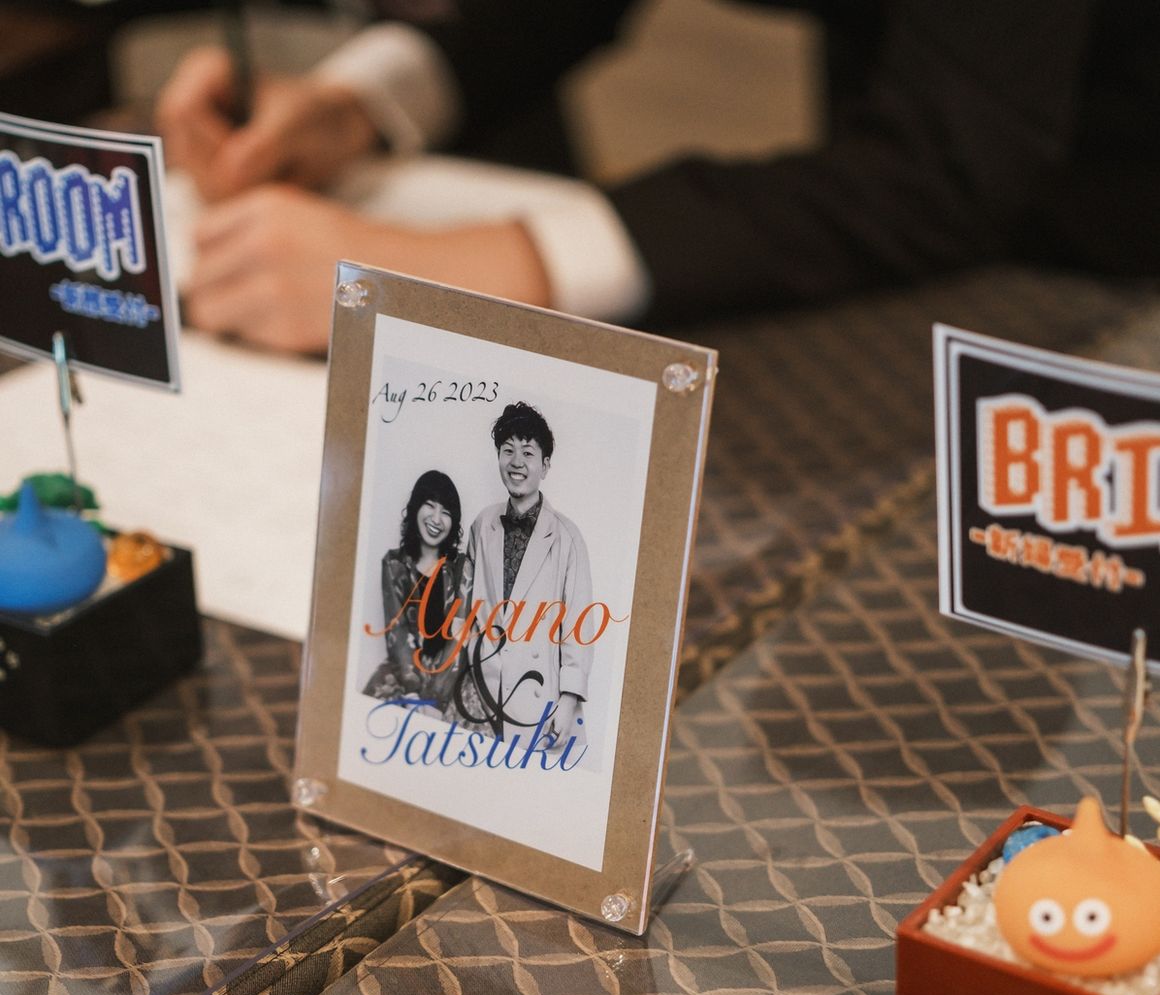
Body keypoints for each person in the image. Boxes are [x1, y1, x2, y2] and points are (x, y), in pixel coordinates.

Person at [156, 1, 1158, 354]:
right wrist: (366, 101)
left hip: (1106, 223)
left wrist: (496, 265)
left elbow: (945, 158)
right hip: (905, 164)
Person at [463, 402, 591, 748]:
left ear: (545, 466)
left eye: (528, 453)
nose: (516, 462)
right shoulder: (482, 524)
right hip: (481, 691)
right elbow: (467, 608)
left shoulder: (568, 537)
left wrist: (568, 700)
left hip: (540, 698)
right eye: (508, 451)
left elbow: (578, 626)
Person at [363, 468, 470, 716]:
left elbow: (460, 633)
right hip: (404, 674)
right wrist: (412, 694)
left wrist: (436, 700)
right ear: (415, 508)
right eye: (429, 506)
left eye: (446, 512)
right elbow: (397, 631)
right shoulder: (394, 565)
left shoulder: (462, 568)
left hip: (449, 680)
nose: (436, 519)